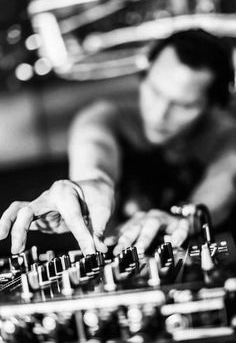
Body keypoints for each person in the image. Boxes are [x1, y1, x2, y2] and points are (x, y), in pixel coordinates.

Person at [0, 28, 236, 256]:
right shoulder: (103, 118)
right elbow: (93, 147)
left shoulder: (228, 139)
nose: (159, 114)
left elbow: (223, 184)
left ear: (213, 105)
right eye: (154, 91)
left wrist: (185, 220)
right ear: (143, 78)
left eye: (183, 105)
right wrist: (91, 184)